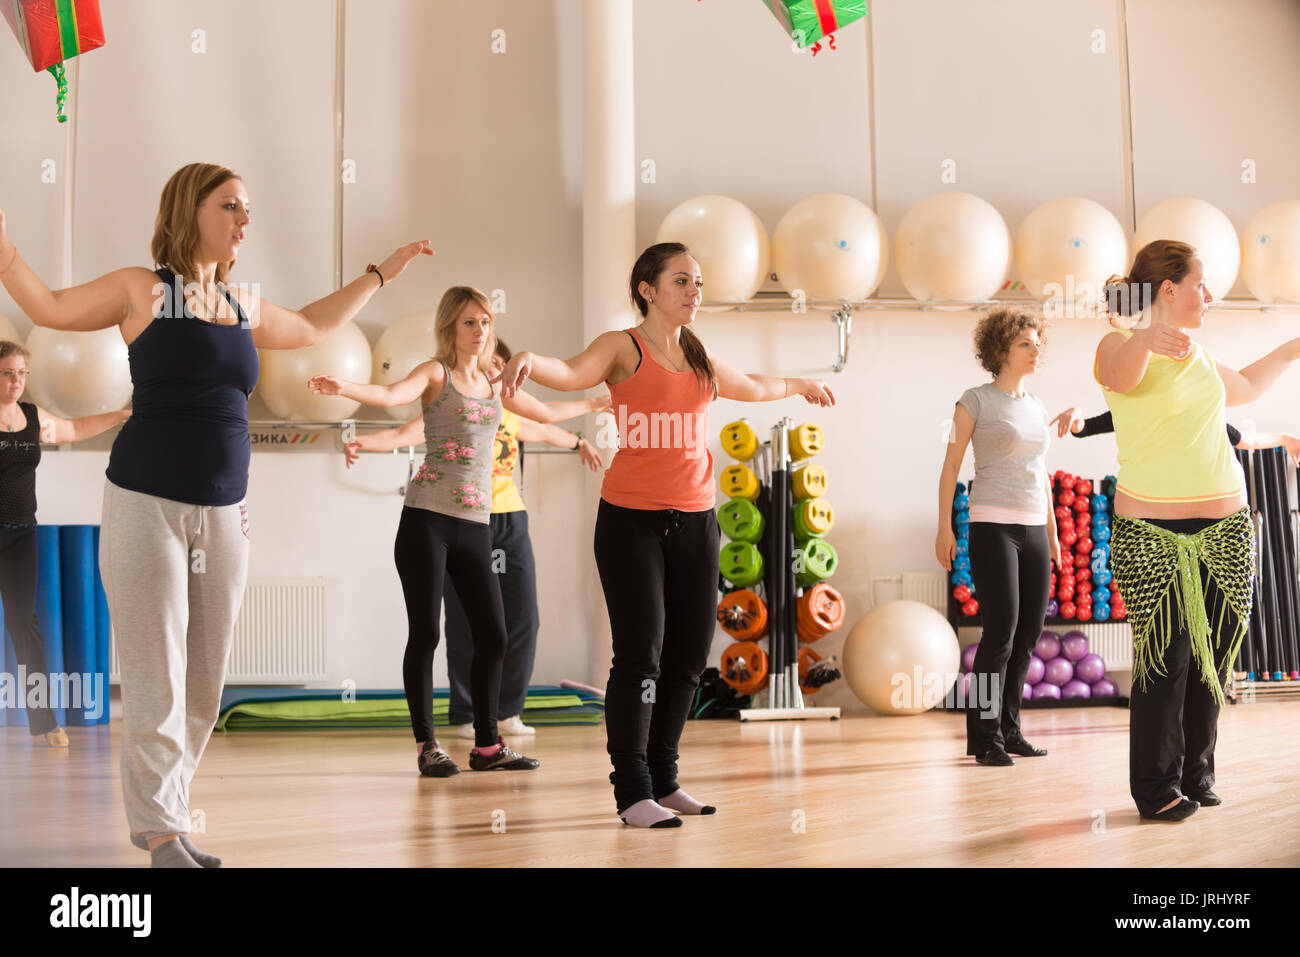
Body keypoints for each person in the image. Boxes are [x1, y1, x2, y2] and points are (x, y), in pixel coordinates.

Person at [0, 163, 432, 866]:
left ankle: (168, 812)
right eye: (230, 204)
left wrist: (381, 273)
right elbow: (46, 305)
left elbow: (316, 322)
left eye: (247, 207)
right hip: (145, 503)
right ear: (189, 210)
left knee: (204, 678)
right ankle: (165, 831)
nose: (244, 218)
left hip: (225, 513)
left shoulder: (240, 304)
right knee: (156, 672)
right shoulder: (142, 289)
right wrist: (7, 255)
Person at [496, 241, 835, 828]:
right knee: (640, 656)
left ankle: (666, 778)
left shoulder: (698, 354)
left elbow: (750, 385)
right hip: (631, 520)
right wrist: (528, 356)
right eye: (682, 281)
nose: (694, 291)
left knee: (686, 657)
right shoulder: (622, 347)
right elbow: (571, 371)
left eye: (698, 282)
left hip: (697, 519)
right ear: (648, 291)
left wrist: (799, 382)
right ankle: (632, 792)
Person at [311, 287, 586, 777]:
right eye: (468, 323)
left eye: (484, 321)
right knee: (426, 633)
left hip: (475, 525)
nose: (479, 331)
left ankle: (487, 746)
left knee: (495, 635)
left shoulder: (498, 382)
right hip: (427, 521)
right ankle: (427, 745)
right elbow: (393, 395)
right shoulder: (436, 373)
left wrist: (598, 401)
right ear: (449, 328)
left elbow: (543, 415)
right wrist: (346, 389)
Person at [1096, 239, 1300, 821]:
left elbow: (1247, 390)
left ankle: (1197, 774)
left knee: (1213, 657)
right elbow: (1121, 375)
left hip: (1229, 526)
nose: (1209, 295)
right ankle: (1156, 791)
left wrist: (1289, 349)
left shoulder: (1200, 354)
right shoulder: (1117, 346)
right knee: (1166, 660)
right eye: (1201, 285)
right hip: (1151, 531)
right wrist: (1139, 335)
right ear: (1169, 290)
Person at [341, 338, 604, 741]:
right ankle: (465, 712)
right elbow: (402, 433)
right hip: (457, 518)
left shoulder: (508, 408)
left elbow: (547, 426)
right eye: (490, 362)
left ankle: (507, 711)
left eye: (501, 363)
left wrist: (580, 439)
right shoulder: (451, 404)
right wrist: (361, 441)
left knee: (521, 619)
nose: (494, 369)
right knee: (460, 621)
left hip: (508, 520)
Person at [936, 308, 1059, 767]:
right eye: (1025, 344)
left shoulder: (1037, 406)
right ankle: (985, 738)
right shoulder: (974, 401)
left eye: (1037, 343)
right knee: (1000, 635)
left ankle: (1010, 728)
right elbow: (950, 466)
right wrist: (945, 525)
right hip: (991, 524)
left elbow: (1040, 472)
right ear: (1001, 350)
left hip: (1033, 525)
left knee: (1029, 633)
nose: (1035, 351)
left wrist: (1053, 531)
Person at [0, 341, 128, 746]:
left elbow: (75, 428)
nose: (16, 381)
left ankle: (45, 723)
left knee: (25, 625)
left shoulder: (34, 418)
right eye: (8, 373)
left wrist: (122, 415)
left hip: (22, 535)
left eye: (22, 373)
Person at [1050, 407, 1300, 465]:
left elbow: (1245, 440)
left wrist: (1286, 439)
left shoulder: (1198, 413)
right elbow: (1086, 428)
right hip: (1151, 514)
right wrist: (1075, 418)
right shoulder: (1138, 409)